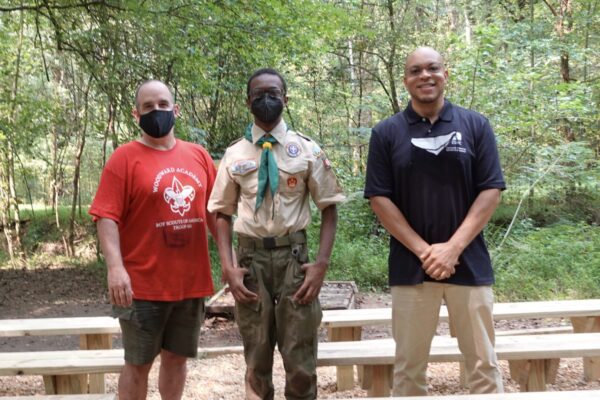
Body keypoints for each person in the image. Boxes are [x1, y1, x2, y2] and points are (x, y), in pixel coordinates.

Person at [364, 47, 505, 396]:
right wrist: (426, 251)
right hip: (410, 268)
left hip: (469, 264)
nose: (425, 76)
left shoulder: (475, 125)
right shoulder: (386, 133)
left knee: (483, 366)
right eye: (415, 71)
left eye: (432, 68)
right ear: (406, 80)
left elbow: (490, 190)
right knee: (409, 370)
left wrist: (453, 248)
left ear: (446, 74)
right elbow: (379, 198)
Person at [208, 68, 345, 400]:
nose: (266, 99)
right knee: (256, 355)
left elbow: (329, 207)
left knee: (300, 358)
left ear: (285, 98)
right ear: (248, 101)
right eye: (258, 94)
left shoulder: (306, 149)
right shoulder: (235, 154)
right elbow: (221, 214)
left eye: (273, 93)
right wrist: (227, 266)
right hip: (250, 260)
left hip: (294, 260)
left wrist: (321, 264)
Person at [89, 79, 217, 400]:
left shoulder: (198, 156)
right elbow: (106, 217)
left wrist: (232, 259)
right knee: (138, 362)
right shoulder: (124, 158)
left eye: (162, 104)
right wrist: (115, 268)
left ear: (176, 109)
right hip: (142, 285)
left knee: (176, 359)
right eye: (148, 107)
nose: (156, 111)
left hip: (190, 283)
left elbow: (218, 213)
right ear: (136, 114)